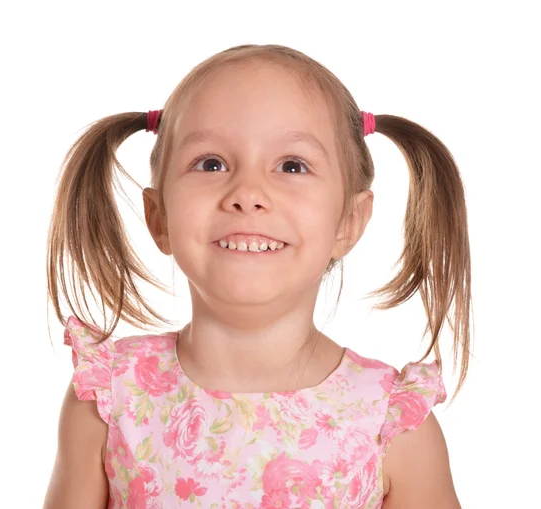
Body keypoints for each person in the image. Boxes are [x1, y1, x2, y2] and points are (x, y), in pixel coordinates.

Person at [43, 44, 470, 509]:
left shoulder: (392, 428)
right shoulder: (110, 401)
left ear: (349, 220)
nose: (247, 193)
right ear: (158, 215)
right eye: (211, 164)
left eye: (292, 166)